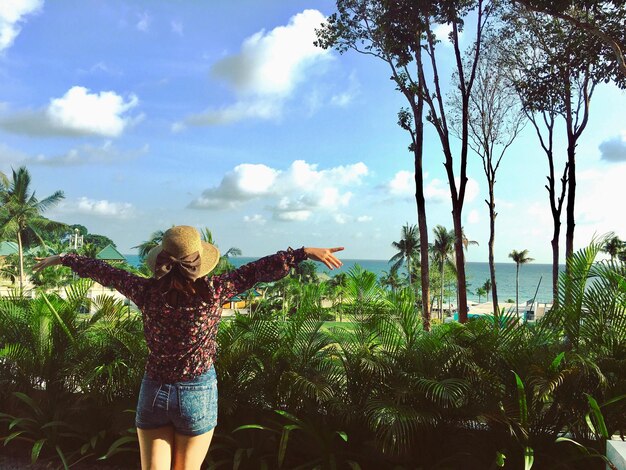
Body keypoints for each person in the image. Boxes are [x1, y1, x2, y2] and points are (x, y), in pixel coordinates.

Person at [34, 225, 344, 470]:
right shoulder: (215, 291)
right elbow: (258, 270)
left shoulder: (146, 292)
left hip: (155, 389)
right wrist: (303, 252)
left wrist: (64, 258)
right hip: (197, 391)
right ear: (199, 261)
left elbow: (106, 272)